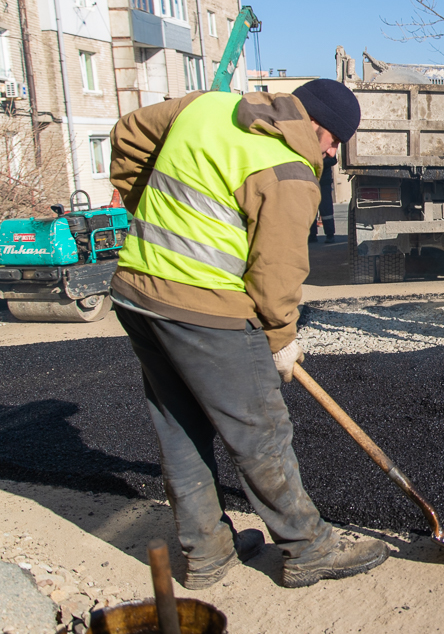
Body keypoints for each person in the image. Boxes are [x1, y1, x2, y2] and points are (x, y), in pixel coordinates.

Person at [108, 79, 388, 589]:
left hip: (138, 291)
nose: (330, 154)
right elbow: (275, 273)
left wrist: (147, 208)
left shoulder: (208, 106)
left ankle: (207, 551)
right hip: (205, 308)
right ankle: (308, 548)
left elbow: (127, 133)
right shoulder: (288, 169)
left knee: (181, 427)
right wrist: (281, 339)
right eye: (334, 144)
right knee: (260, 431)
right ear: (319, 128)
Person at [309, 153, 338, 244]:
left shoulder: (325, 145)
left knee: (326, 208)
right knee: (310, 207)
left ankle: (330, 235)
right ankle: (311, 235)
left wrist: (319, 162)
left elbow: (333, 160)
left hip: (323, 181)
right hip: (310, 180)